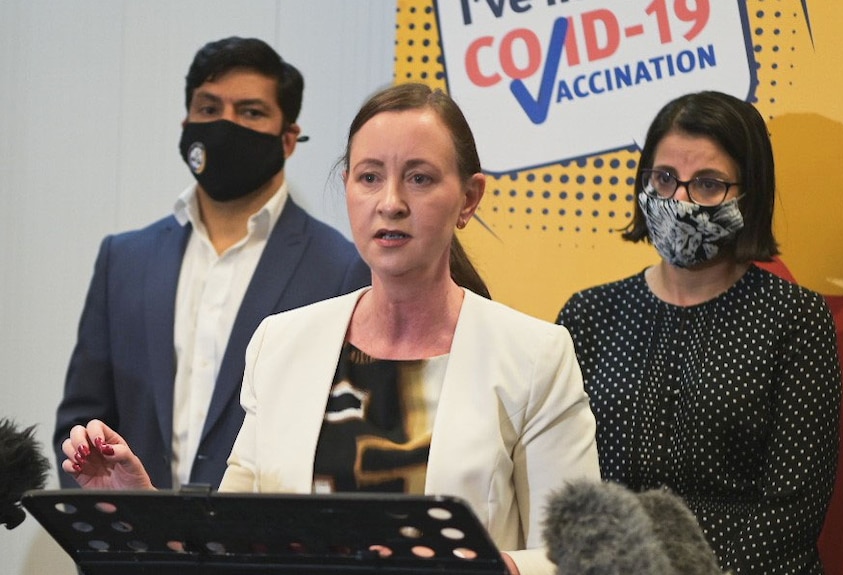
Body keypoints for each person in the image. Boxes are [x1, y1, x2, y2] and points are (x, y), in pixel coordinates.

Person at [60, 82, 601, 575]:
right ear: (347, 188)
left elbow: (582, 555)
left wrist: (490, 568)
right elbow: (227, 546)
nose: (390, 203)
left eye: (419, 177)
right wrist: (141, 504)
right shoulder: (281, 343)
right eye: (369, 177)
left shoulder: (535, 355)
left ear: (468, 197)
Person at [53, 37, 370, 491]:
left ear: (289, 139)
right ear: (186, 123)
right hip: (133, 553)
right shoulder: (122, 260)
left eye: (251, 112)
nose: (226, 127)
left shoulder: (342, 269)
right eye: (208, 109)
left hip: (264, 554)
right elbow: (82, 424)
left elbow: (346, 442)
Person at [556, 91, 842, 574]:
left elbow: (793, 506)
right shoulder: (589, 315)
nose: (680, 201)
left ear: (748, 193)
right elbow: (559, 478)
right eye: (664, 179)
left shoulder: (795, 319)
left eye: (707, 184)